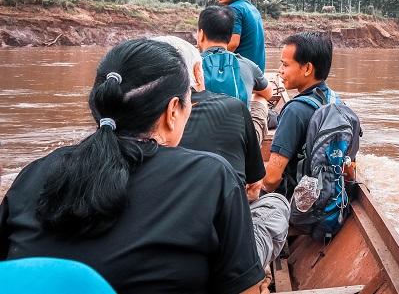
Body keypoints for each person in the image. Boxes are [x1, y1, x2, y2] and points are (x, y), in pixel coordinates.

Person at [0, 38, 264, 294]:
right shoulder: (212, 176)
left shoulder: (33, 173)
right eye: (187, 104)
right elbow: (246, 290)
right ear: (173, 111)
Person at [154, 35, 289, 269]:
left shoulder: (136, 144)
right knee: (277, 204)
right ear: (198, 74)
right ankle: (259, 272)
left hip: (167, 253)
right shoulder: (233, 107)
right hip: (224, 262)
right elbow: (255, 188)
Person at [263, 31, 343, 196]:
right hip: (332, 197)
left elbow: (271, 180)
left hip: (296, 203)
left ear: (307, 68)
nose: (280, 71)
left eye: (285, 65)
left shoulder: (294, 111)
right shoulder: (337, 102)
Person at [197, 5, 273, 143]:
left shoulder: (189, 64)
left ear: (201, 34)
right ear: (230, 36)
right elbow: (268, 94)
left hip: (199, 138)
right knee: (260, 99)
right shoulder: (247, 65)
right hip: (240, 141)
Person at [207, 0, 266, 71]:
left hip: (241, 71)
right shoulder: (251, 8)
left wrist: (212, 61)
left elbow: (233, 44)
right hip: (257, 71)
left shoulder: (234, 9)